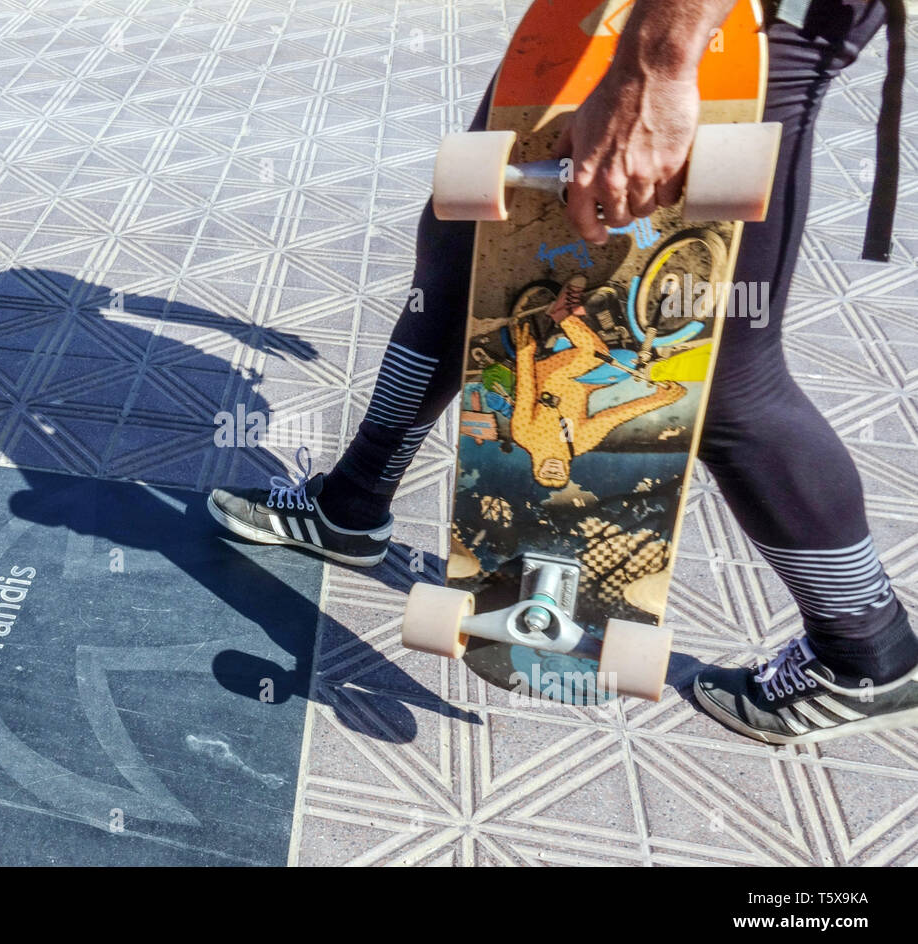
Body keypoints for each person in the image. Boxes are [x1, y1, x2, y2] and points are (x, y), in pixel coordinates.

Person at [207, 0, 917, 746]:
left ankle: (865, 649)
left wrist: (656, 66)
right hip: (609, 19)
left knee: (718, 369)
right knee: (462, 267)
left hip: (730, 28)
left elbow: (621, 404)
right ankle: (349, 509)